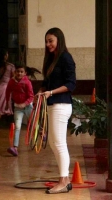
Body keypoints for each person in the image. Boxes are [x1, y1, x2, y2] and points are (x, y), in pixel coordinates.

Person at [36, 27, 76, 194]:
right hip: (52, 105)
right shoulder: (51, 60)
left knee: (59, 143)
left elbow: (71, 84)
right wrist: (41, 90)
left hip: (61, 105)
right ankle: (64, 179)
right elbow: (47, 81)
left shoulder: (66, 58)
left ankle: (63, 180)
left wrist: (51, 92)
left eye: (50, 40)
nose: (48, 44)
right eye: (46, 41)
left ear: (59, 40)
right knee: (53, 142)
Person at [5, 62, 34, 156]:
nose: (19, 73)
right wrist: (7, 103)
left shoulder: (27, 82)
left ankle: (41, 132)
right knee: (17, 127)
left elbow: (31, 96)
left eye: (21, 72)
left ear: (25, 73)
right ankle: (15, 147)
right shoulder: (11, 82)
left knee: (33, 122)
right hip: (17, 107)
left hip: (28, 106)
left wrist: (24, 104)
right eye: (17, 71)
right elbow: (7, 92)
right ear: (14, 72)